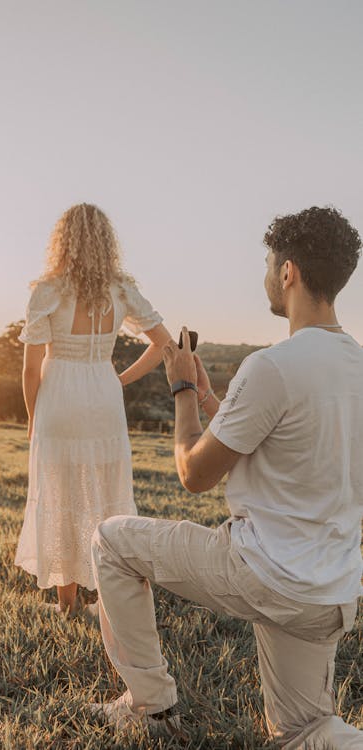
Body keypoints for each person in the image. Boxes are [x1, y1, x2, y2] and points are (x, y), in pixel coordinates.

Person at [90, 206, 363, 747]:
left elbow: (193, 472)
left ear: (288, 272)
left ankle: (150, 703)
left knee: (111, 541)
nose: (266, 274)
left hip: (267, 573)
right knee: (302, 732)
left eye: (268, 263)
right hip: (331, 593)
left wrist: (183, 391)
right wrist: (215, 398)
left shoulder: (272, 366)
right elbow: (286, 439)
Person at [15, 203, 171, 617]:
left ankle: (67, 603)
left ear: (61, 240)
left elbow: (31, 370)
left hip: (58, 399)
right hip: (102, 392)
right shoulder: (121, 290)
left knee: (59, 493)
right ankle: (109, 600)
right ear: (107, 242)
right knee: (109, 496)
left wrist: (33, 416)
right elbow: (164, 345)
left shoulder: (47, 290)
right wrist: (117, 380)